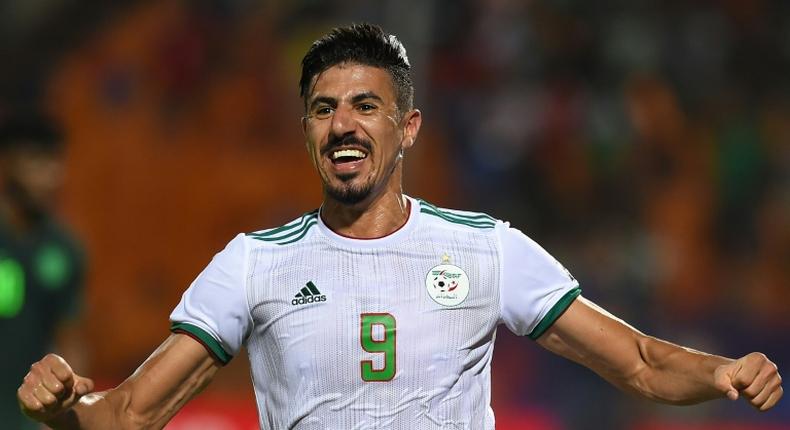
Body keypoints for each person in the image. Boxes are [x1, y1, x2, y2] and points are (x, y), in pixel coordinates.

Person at [17, 23, 782, 429]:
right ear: (306, 131)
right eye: (324, 108)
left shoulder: (486, 248)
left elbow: (641, 364)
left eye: (365, 105)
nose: (342, 124)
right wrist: (63, 415)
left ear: (408, 127)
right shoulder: (253, 263)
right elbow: (129, 417)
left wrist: (719, 372)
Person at [0, 112, 86, 430]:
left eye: (54, 163)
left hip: (29, 421)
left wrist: (66, 409)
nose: (50, 175)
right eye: (37, 162)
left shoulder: (65, 249)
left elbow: (70, 337)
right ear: (8, 162)